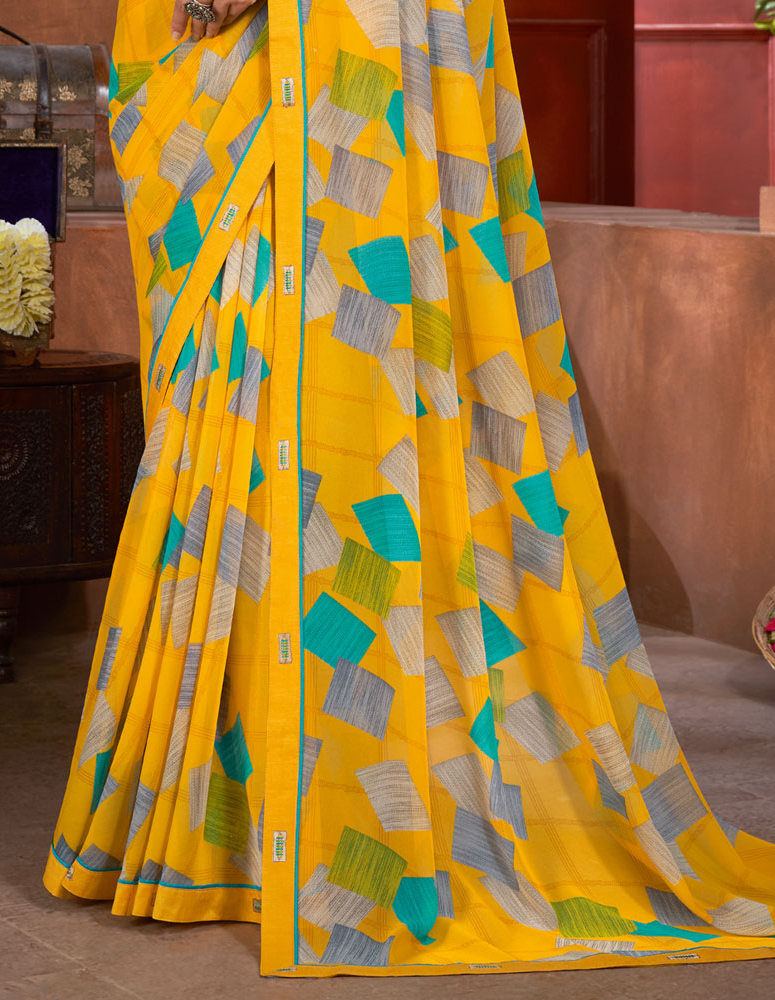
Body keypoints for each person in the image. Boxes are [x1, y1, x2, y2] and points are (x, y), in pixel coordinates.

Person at [43, 0, 775, 979]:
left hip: (360, 80)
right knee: (262, 438)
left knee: (360, 429)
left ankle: (365, 831)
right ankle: (240, 828)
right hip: (276, 107)